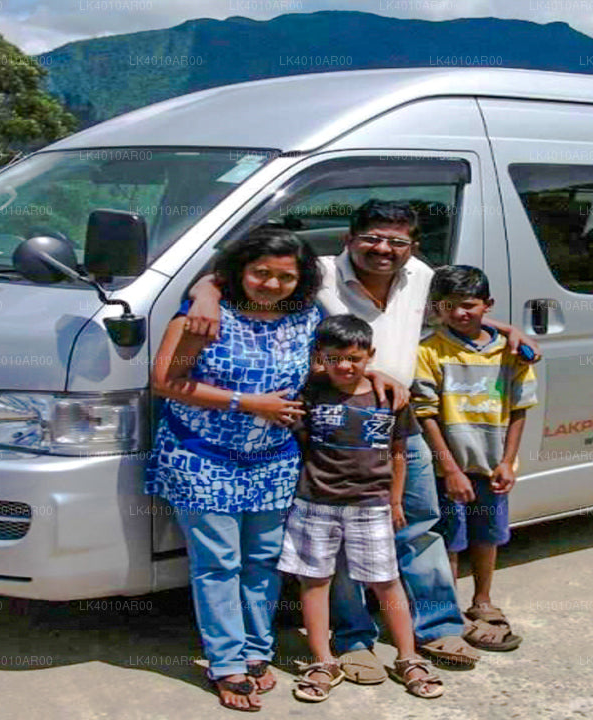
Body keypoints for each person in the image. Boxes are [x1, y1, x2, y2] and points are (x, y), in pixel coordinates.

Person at [186, 200, 541, 678]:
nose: (384, 249)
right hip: (332, 426)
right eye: (373, 237)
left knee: (418, 523)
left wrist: (505, 327)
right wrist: (206, 293)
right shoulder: (319, 274)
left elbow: (455, 312)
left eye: (397, 241)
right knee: (342, 536)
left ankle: (437, 626)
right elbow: (243, 271)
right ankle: (354, 640)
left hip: (399, 419)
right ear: (350, 238)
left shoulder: (420, 274)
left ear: (412, 247)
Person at [147, 227, 323, 712]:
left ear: (301, 278)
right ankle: (226, 663)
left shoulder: (308, 317)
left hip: (273, 459)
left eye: (284, 276)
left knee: (264, 561)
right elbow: (165, 382)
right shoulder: (204, 318)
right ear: (239, 271)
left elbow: (335, 362)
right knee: (218, 564)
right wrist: (248, 404)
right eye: (260, 272)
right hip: (203, 457)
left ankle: (256, 652)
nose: (271, 284)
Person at [278, 314, 445, 702]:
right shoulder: (310, 390)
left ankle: (408, 657)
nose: (345, 366)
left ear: (370, 355)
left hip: (371, 506)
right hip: (314, 504)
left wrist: (396, 500)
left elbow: (399, 454)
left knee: (385, 581)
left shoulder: (391, 397)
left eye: (354, 358)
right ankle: (322, 660)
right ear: (320, 356)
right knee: (314, 581)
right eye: (335, 358)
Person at [412, 265, 538, 652]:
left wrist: (507, 461)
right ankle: (449, 611)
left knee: (488, 536)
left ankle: (482, 600)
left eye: (468, 305)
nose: (460, 313)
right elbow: (426, 413)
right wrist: (449, 468)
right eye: (448, 306)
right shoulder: (429, 350)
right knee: (450, 540)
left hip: (491, 466)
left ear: (488, 305)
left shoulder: (511, 352)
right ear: (437, 307)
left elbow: (520, 408)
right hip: (449, 468)